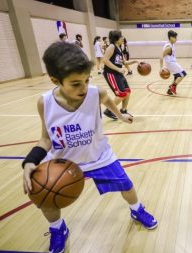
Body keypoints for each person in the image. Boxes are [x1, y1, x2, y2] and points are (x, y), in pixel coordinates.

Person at [22, 42, 157, 253]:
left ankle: (136, 210)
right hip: (62, 162)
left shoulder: (96, 93)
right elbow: (46, 138)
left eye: (86, 80)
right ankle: (58, 229)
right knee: (45, 197)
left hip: (99, 156)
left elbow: (110, 103)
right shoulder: (45, 102)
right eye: (75, 83)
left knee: (127, 185)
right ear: (55, 80)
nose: (83, 88)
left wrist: (122, 116)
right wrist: (30, 161)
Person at [102, 30, 138, 119]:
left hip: (118, 73)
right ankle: (109, 110)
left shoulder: (119, 47)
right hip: (111, 73)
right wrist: (118, 69)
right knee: (121, 94)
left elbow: (124, 62)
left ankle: (123, 110)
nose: (123, 38)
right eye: (121, 36)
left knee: (127, 91)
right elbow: (105, 60)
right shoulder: (111, 46)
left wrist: (135, 61)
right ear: (116, 38)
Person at [160, 30, 187, 95]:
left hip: (172, 63)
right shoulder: (168, 47)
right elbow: (161, 56)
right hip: (171, 63)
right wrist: (161, 67)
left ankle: (170, 90)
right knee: (183, 74)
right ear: (170, 37)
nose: (176, 39)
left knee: (177, 76)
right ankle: (173, 86)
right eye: (174, 37)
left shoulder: (171, 44)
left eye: (176, 37)